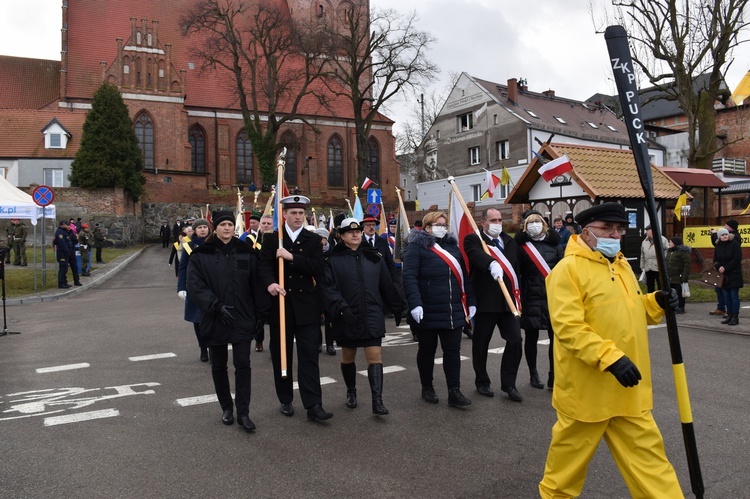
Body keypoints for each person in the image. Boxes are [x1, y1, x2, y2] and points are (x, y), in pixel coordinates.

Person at [539, 202, 682, 498]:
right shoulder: (567, 271)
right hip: (587, 393)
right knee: (564, 473)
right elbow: (568, 327)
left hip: (628, 389)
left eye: (619, 229)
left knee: (652, 466)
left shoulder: (621, 264)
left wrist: (655, 302)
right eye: (607, 229)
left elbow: (629, 309)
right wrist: (610, 358)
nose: (614, 235)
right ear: (586, 231)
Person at [186, 210, 267, 432]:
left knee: (243, 365)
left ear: (235, 227)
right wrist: (215, 306)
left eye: (230, 224)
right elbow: (195, 286)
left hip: (242, 317)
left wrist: (259, 315)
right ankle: (226, 407)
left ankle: (243, 412)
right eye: (223, 224)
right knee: (219, 365)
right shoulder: (202, 255)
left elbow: (257, 285)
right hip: (215, 317)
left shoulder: (247, 253)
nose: (227, 228)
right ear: (215, 228)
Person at [258, 195, 333, 422]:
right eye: (293, 213)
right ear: (285, 215)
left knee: (309, 356)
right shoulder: (272, 239)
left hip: (307, 307)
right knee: (282, 355)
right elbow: (262, 267)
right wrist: (270, 283)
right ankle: (286, 399)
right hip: (280, 306)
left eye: (301, 213)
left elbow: (318, 268)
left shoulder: (312, 240)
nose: (298, 217)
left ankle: (313, 404)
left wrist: (292, 257)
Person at [321, 218, 403, 415]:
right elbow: (328, 287)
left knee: (375, 356)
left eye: (358, 231)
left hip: (372, 313)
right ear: (341, 236)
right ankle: (351, 391)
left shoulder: (374, 257)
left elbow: (385, 284)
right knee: (348, 356)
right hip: (346, 315)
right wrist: (341, 307)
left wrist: (398, 306)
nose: (355, 234)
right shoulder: (331, 259)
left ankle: (377, 401)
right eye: (350, 232)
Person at [403, 211, 475, 407]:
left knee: (452, 351)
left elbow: (463, 278)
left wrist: (471, 301)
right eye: (437, 224)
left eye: (444, 224)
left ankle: (454, 391)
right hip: (427, 309)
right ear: (427, 228)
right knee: (427, 350)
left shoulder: (453, 248)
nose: (442, 228)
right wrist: (415, 303)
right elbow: (409, 277)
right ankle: (427, 387)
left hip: (452, 310)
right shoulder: (416, 248)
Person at [464, 207, 524, 402]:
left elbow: (515, 270)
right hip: (485, 302)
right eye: (493, 220)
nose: (497, 223)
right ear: (484, 223)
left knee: (515, 341)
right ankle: (482, 381)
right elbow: (475, 255)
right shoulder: (474, 239)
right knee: (481, 344)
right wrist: (491, 263)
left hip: (508, 304)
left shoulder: (509, 241)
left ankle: (509, 384)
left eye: (499, 220)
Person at [514, 210, 563, 390]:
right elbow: (516, 270)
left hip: (552, 296)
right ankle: (533, 372)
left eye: (538, 221)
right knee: (531, 336)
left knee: (555, 337)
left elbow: (563, 267)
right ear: (526, 227)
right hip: (530, 295)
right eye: (530, 222)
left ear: (544, 224)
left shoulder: (555, 244)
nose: (535, 225)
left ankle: (553, 374)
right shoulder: (521, 246)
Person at [178, 218, 212, 362]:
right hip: (194, 287)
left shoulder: (214, 245)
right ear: (195, 230)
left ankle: (213, 348)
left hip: (212, 287)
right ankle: (203, 349)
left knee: (212, 320)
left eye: (205, 227)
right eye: (200, 228)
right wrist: (181, 287)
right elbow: (183, 267)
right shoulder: (188, 246)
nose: (203, 230)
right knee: (197, 321)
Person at [713, 228, 743, 326]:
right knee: (726, 296)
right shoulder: (718, 246)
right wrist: (719, 267)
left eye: (726, 234)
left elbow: (737, 258)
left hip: (734, 273)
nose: (725, 236)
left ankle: (735, 316)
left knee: (734, 295)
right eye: (722, 235)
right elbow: (715, 260)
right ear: (719, 237)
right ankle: (729, 315)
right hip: (724, 276)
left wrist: (725, 267)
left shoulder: (734, 244)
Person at [666, 236, 691, 314]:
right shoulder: (670, 252)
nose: (669, 243)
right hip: (670, 277)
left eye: (671, 242)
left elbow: (687, 265)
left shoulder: (682, 252)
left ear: (675, 243)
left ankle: (681, 307)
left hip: (679, 276)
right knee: (671, 293)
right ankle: (673, 306)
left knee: (679, 293)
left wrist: (684, 277)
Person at [640, 225, 668, 293]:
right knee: (650, 285)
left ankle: (660, 299)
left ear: (653, 230)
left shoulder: (662, 240)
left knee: (660, 285)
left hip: (658, 266)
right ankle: (651, 299)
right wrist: (642, 265)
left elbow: (667, 251)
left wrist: (662, 260)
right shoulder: (644, 241)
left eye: (648, 230)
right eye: (646, 230)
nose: (646, 232)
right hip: (648, 266)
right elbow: (642, 254)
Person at [53, 220, 72, 289]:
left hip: (65, 252)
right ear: (63, 225)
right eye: (66, 225)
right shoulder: (59, 232)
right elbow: (62, 243)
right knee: (63, 268)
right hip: (62, 253)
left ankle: (64, 282)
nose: (68, 226)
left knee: (65, 268)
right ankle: (61, 283)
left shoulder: (64, 232)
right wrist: (67, 251)